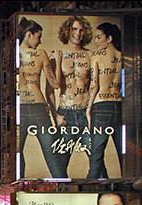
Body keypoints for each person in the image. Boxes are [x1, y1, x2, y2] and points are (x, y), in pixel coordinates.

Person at [16, 16, 65, 178]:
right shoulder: (41, 54)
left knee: (16, 153)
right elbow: (56, 84)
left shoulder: (11, 54)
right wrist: (57, 61)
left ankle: (19, 186)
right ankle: (62, 188)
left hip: (19, 109)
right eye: (38, 37)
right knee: (52, 153)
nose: (40, 42)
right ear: (28, 35)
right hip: (38, 108)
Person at [51, 15, 95, 174]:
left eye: (82, 30)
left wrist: (92, 111)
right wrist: (55, 114)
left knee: (96, 158)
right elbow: (50, 88)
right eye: (75, 29)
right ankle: (60, 194)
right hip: (66, 112)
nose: (78, 33)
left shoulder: (91, 56)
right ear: (68, 30)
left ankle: (98, 194)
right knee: (60, 163)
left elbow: (94, 85)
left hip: (85, 112)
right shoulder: (58, 54)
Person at [86, 22, 123, 179]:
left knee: (96, 154)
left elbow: (94, 85)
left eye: (99, 37)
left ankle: (91, 189)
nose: (96, 41)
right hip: (119, 105)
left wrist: (88, 108)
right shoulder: (122, 56)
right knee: (122, 151)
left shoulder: (97, 57)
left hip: (101, 105)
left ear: (109, 38)